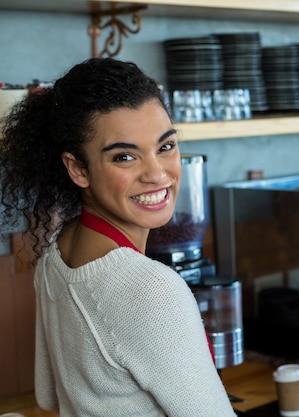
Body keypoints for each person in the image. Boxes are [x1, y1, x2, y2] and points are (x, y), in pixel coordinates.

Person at [0, 58, 236, 416]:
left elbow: (48, 394)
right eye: (125, 156)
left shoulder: (57, 251)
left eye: (166, 146)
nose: (157, 174)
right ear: (78, 168)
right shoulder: (150, 290)